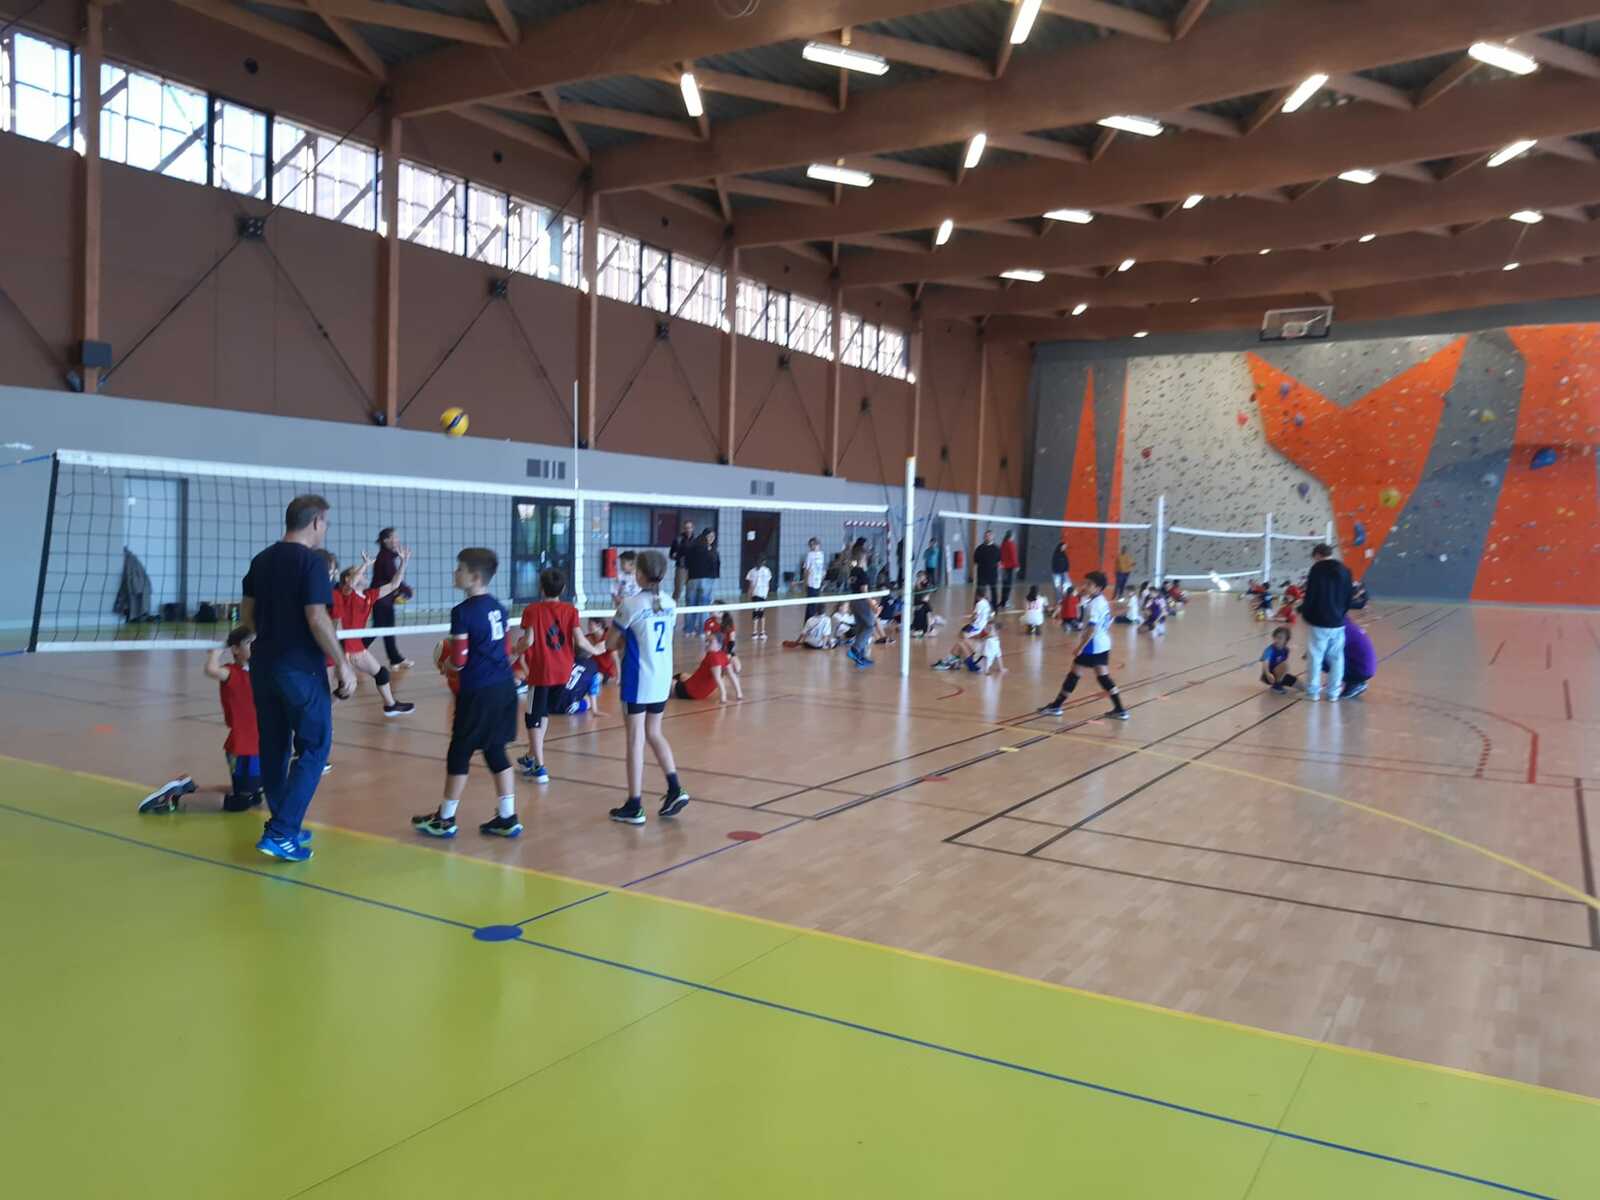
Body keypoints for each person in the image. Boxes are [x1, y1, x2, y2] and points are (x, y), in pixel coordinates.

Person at [240, 494, 353, 862]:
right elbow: (317, 618)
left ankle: (282, 822)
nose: (325, 529)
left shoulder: (261, 560)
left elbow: (247, 617)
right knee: (315, 747)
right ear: (316, 521)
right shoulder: (311, 562)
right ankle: (283, 831)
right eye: (326, 523)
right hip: (300, 668)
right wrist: (343, 664)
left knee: (274, 747)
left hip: (263, 666)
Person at [413, 548, 522, 838]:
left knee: (460, 750)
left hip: (479, 692)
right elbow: (504, 649)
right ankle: (507, 816)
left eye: (459, 569)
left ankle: (445, 819)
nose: (455, 573)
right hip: (504, 687)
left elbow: (460, 659)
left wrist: (445, 664)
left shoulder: (462, 612)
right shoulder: (498, 607)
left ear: (474, 577)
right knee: (495, 749)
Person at [138, 626, 264, 815]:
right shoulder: (232, 672)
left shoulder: (261, 672)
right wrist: (215, 653)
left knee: (254, 796)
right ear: (236, 649)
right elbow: (211, 670)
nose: (255, 646)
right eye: (249, 643)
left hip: (259, 744)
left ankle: (190, 788)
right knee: (241, 801)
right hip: (244, 746)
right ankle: (173, 800)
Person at [608, 550, 689, 824]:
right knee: (654, 732)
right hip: (662, 678)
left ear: (639, 574)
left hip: (638, 678)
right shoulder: (670, 603)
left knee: (635, 739)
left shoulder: (630, 605)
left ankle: (634, 805)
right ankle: (675, 788)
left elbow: (609, 643)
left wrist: (622, 639)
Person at [515, 566, 604, 785]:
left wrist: (517, 649)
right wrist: (596, 650)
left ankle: (539, 767)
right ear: (563, 589)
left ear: (540, 587)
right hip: (564, 669)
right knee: (543, 712)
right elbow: (580, 641)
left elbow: (528, 640)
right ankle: (531, 756)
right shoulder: (570, 610)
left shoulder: (532, 610)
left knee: (533, 716)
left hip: (541, 670)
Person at [331, 553, 416, 717]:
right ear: (348, 578)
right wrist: (365, 565)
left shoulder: (369, 595)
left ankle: (390, 705)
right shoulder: (346, 593)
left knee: (381, 674)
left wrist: (403, 562)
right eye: (359, 572)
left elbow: (394, 585)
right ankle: (319, 713)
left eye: (363, 572)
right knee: (346, 689)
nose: (364, 574)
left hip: (358, 647)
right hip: (344, 648)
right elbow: (351, 583)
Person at [1039, 570, 1129, 720]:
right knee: (1103, 677)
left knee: (1074, 674)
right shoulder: (1101, 600)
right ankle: (1120, 709)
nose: (1085, 586)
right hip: (1103, 644)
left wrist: (1080, 647)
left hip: (1092, 645)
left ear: (1098, 588)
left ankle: (1056, 706)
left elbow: (1091, 628)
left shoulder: (1094, 605)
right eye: (1085, 583)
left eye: (1089, 584)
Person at [1299, 543, 1353, 701]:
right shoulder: (1345, 570)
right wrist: (1341, 614)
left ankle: (1313, 692)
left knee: (1315, 657)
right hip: (1338, 622)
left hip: (1319, 621)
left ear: (1317, 555)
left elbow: (1311, 595)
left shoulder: (1317, 569)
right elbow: (1349, 596)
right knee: (1337, 658)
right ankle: (1333, 693)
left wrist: (1306, 614)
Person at [368, 527, 413, 669]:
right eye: (394, 537)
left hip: (385, 599)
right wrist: (407, 591)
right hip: (380, 600)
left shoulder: (387, 556)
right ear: (385, 540)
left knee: (387, 630)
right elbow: (394, 579)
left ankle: (395, 659)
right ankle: (355, 651)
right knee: (378, 629)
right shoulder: (385, 558)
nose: (397, 540)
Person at [933, 590, 993, 671]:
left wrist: (970, 620)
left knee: (961, 641)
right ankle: (950, 660)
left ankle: (949, 662)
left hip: (974, 662)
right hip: (979, 630)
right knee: (960, 643)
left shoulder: (979, 604)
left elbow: (975, 616)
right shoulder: (986, 603)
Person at [682, 529, 720, 636]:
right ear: (704, 536)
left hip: (692, 580)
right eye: (710, 536)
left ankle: (688, 630)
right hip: (705, 580)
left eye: (713, 536)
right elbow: (715, 564)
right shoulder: (711, 550)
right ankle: (702, 630)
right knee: (704, 606)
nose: (712, 538)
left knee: (691, 605)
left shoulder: (692, 547)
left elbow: (686, 563)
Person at [1339, 616, 1375, 699]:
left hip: (1362, 670)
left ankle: (1355, 683)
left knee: (1324, 659)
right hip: (1365, 669)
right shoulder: (1348, 624)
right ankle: (1355, 682)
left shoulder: (1343, 629)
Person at [846, 580, 878, 668]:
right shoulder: (862, 574)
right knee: (870, 626)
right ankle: (855, 650)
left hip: (854, 601)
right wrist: (872, 604)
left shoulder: (854, 573)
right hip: (862, 601)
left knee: (861, 629)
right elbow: (864, 589)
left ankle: (860, 658)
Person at [1259, 626, 1299, 694]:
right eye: (1275, 637)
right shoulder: (1270, 650)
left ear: (1286, 640)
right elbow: (1265, 663)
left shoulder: (1286, 650)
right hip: (1269, 676)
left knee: (1303, 686)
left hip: (1280, 675)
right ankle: (1276, 686)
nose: (1276, 640)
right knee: (1285, 665)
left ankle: (1280, 683)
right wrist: (1268, 674)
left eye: (1280, 638)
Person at [745, 556, 772, 640]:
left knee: (758, 612)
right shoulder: (754, 571)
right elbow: (751, 585)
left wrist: (749, 595)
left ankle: (758, 632)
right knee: (759, 612)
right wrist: (749, 594)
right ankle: (759, 632)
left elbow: (752, 585)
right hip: (758, 594)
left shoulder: (764, 571)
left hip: (760, 594)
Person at [669, 519, 696, 604]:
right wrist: (678, 556)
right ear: (684, 529)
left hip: (693, 569)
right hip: (681, 568)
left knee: (691, 591)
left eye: (690, 527)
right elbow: (671, 555)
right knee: (678, 590)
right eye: (686, 528)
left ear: (693, 528)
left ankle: (689, 609)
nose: (688, 529)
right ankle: (673, 607)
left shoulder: (696, 540)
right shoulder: (678, 540)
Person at [972, 529, 1001, 609]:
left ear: (992, 537)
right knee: (979, 591)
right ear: (984, 537)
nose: (987, 537)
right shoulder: (979, 548)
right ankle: (976, 608)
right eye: (986, 536)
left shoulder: (996, 548)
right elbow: (975, 560)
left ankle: (995, 608)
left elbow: (999, 561)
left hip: (993, 574)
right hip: (982, 574)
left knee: (994, 591)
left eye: (989, 536)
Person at [802, 537, 826, 619]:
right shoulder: (810, 555)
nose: (812, 546)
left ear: (818, 544)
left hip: (818, 582)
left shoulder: (821, 554)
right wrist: (805, 582)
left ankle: (810, 621)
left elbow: (821, 569)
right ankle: (809, 622)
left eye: (813, 544)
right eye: (810, 545)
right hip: (811, 583)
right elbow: (806, 570)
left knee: (815, 603)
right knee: (811, 604)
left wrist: (822, 579)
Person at [998, 532, 1020, 608]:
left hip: (1003, 567)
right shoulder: (1011, 544)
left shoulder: (1003, 544)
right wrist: (1016, 565)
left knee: (1004, 585)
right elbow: (1014, 556)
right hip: (1010, 567)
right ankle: (1005, 602)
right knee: (1008, 585)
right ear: (1011, 536)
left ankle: (1002, 601)